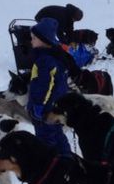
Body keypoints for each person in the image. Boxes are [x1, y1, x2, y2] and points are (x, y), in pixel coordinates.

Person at [26, 18, 77, 155]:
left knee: (46, 141)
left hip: (45, 111)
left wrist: (38, 106)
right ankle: (66, 159)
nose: (31, 41)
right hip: (56, 106)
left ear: (43, 40)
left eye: (33, 38)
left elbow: (44, 86)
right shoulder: (57, 56)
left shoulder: (45, 60)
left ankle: (51, 165)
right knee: (58, 135)